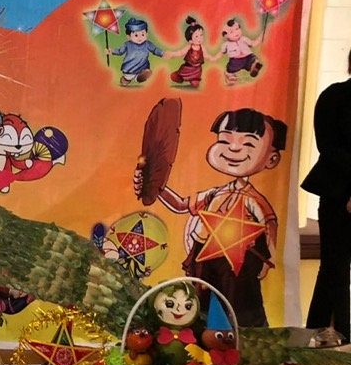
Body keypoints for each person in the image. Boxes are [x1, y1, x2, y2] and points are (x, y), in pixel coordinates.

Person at [140, 107, 286, 328]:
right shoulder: (214, 194)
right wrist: (155, 186)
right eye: (225, 141)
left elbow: (269, 226)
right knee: (201, 302)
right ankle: (199, 334)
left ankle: (243, 337)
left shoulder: (253, 199)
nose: (233, 149)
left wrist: (268, 260)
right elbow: (180, 205)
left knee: (238, 306)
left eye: (248, 144)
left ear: (271, 159)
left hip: (236, 265)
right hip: (203, 259)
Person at [302, 51, 351, 346]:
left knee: (333, 268)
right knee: (335, 266)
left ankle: (321, 332)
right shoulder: (334, 96)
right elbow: (329, 147)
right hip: (337, 193)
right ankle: (335, 335)